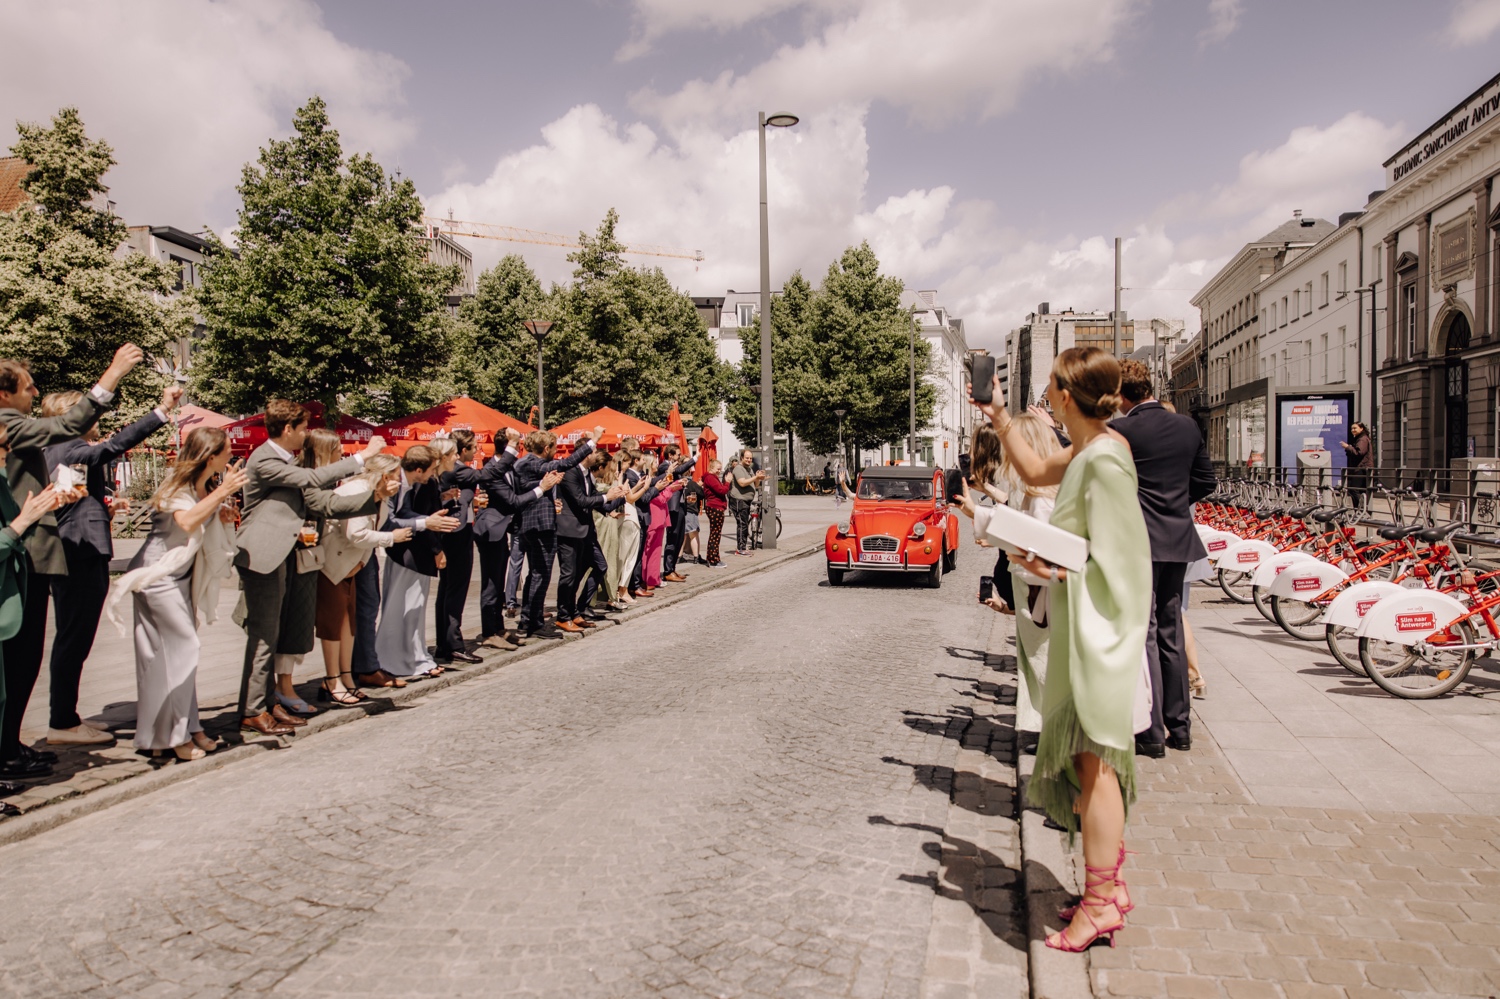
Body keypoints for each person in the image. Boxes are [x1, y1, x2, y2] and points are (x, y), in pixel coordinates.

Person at [975, 347, 1151, 952]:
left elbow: (1124, 565)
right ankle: (1111, 888)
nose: (1043, 392)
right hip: (1083, 627)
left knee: (1095, 767)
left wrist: (1051, 567)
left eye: (1049, 383)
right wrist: (996, 412)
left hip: (1102, 637)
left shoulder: (1103, 459)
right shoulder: (1087, 451)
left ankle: (1101, 903)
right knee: (1087, 762)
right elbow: (1030, 472)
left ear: (1066, 396)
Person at [0, 343, 140, 779]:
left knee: (24, 661)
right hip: (23, 548)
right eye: (27, 387)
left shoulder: (14, 423)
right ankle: (9, 748)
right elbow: (73, 424)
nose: (33, 393)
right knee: (20, 658)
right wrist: (113, 373)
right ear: (4, 394)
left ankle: (10, 745)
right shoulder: (7, 421)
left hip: (30, 547)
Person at [41, 381, 180, 746]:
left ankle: (66, 716)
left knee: (75, 636)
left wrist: (103, 504)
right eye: (89, 412)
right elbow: (114, 447)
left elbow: (68, 501)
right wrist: (160, 413)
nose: (97, 418)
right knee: (74, 637)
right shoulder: (69, 447)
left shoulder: (59, 450)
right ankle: (62, 723)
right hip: (79, 554)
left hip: (78, 550)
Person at [234, 400, 384, 738]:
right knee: (263, 636)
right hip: (262, 556)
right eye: (302, 429)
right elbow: (314, 478)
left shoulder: (288, 461)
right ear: (288, 430)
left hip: (285, 557)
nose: (305, 436)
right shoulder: (265, 459)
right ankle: (251, 710)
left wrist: (373, 498)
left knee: (274, 634)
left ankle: (267, 703)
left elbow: (323, 502)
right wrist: (360, 458)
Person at [107, 427, 247, 761]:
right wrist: (222, 494)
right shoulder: (175, 484)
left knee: (164, 656)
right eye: (227, 450)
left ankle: (173, 732)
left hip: (181, 576)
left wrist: (221, 511)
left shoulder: (206, 485)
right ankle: (176, 734)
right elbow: (185, 522)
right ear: (211, 456)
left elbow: (202, 520)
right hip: (157, 575)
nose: (232, 455)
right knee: (183, 647)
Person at [1112, 359, 1216, 758]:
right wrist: (1174, 506)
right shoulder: (1187, 426)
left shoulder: (1121, 429)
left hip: (1138, 541)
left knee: (1146, 631)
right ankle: (1181, 726)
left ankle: (1151, 731)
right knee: (1171, 629)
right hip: (1178, 539)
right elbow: (1206, 482)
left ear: (1121, 395)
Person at [270, 428, 348, 718]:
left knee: (301, 626)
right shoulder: (302, 477)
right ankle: (283, 687)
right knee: (293, 623)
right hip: (296, 559)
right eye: (337, 448)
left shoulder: (322, 478)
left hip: (311, 558)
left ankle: (283, 686)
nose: (342, 453)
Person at [318, 453, 407, 704]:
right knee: (334, 625)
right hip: (336, 564)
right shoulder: (357, 491)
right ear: (383, 476)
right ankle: (332, 680)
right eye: (395, 476)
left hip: (353, 564)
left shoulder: (378, 494)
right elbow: (355, 534)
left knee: (349, 624)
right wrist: (392, 538)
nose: (398, 482)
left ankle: (345, 678)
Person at [473, 428, 563, 649]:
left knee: (504, 580)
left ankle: (500, 628)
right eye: (516, 447)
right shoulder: (493, 470)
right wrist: (542, 489)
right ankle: (493, 630)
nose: (519, 452)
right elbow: (513, 500)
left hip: (510, 527)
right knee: (493, 584)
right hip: (495, 528)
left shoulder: (511, 467)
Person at [375, 445, 459, 678]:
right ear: (419, 469)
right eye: (431, 469)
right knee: (400, 608)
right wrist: (426, 523)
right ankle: (392, 660)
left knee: (413, 608)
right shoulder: (395, 482)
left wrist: (427, 519)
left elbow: (408, 513)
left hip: (409, 550)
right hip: (403, 553)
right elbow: (390, 521)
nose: (434, 474)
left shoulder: (413, 483)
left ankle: (413, 657)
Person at [511, 428, 601, 639]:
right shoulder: (531, 462)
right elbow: (564, 463)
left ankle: (527, 620)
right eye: (553, 447)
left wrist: (551, 500)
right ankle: (534, 623)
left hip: (534, 523)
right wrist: (593, 441)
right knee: (540, 575)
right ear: (545, 448)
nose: (556, 451)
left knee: (536, 574)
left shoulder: (526, 464)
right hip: (539, 525)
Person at [555, 447, 627, 632]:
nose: (596, 455)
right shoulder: (572, 473)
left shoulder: (586, 475)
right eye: (593, 451)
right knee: (571, 574)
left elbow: (600, 503)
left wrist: (620, 496)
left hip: (585, 531)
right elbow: (581, 500)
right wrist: (607, 496)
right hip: (571, 530)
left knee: (597, 566)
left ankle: (578, 608)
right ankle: (566, 614)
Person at [432, 434, 482, 665]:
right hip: (455, 534)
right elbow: (485, 475)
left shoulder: (444, 474)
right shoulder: (456, 470)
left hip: (454, 532)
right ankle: (453, 644)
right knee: (455, 590)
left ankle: (445, 644)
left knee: (447, 590)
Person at [728, 449, 766, 555]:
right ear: (741, 458)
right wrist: (755, 477)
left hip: (746, 500)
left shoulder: (749, 469)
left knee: (744, 524)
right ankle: (740, 548)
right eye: (747, 458)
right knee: (742, 524)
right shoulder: (739, 468)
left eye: (750, 458)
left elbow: (756, 485)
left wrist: (758, 477)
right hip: (739, 500)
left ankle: (743, 547)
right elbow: (742, 483)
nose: (749, 460)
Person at [1341, 422, 1373, 510]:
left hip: (1361, 468)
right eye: (1352, 428)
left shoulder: (1362, 439)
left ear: (1361, 428)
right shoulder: (1360, 438)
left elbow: (1359, 452)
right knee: (1358, 490)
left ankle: (1360, 510)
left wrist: (1348, 447)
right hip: (1361, 467)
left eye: (1355, 428)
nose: (1353, 430)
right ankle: (1360, 510)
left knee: (1354, 490)